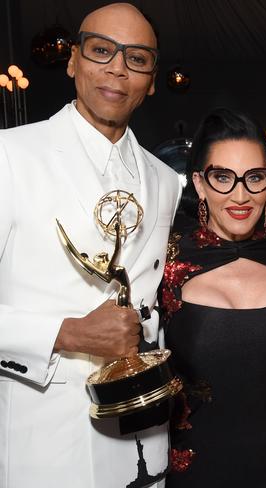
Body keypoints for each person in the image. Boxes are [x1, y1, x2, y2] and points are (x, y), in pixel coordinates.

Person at [0, 4, 181, 487]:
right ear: (73, 61)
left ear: (152, 78)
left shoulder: (166, 181)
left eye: (137, 58)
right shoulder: (9, 156)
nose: (118, 68)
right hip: (47, 446)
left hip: (145, 437)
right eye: (102, 50)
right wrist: (66, 333)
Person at [161, 107, 266, 487]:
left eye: (255, 178)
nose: (241, 195)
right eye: (223, 178)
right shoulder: (163, 263)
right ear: (199, 183)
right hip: (199, 472)